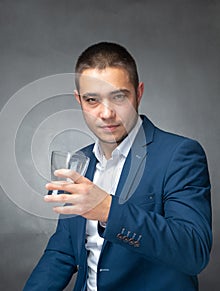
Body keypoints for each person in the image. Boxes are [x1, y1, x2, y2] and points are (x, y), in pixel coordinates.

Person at [23, 42, 212, 290]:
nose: (106, 113)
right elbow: (63, 251)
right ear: (79, 100)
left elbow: (193, 252)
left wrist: (108, 210)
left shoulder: (180, 155)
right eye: (92, 100)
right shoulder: (80, 161)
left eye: (119, 97)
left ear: (139, 93)